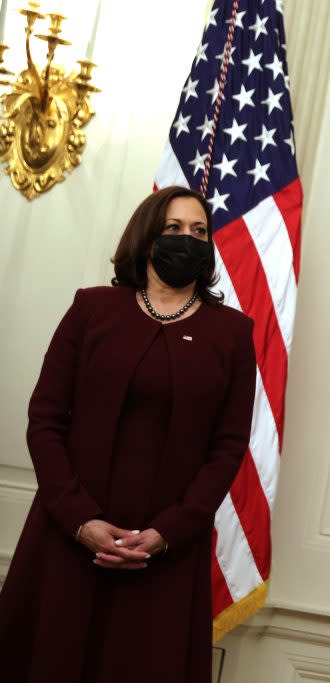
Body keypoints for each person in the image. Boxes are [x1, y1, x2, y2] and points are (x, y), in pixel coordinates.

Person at [0, 186, 257, 682]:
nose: (189, 239)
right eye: (174, 229)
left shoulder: (232, 334)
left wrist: (168, 533)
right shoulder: (92, 310)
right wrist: (79, 519)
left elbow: (228, 447)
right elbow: (46, 418)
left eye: (199, 231)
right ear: (146, 238)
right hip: (67, 539)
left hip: (164, 557)